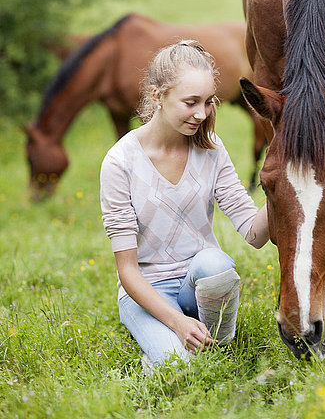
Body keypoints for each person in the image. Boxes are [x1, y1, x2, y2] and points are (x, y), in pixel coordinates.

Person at [100, 40, 269, 369]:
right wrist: (177, 323)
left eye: (208, 102)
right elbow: (127, 270)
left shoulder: (211, 148)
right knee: (179, 368)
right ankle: (172, 345)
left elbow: (254, 233)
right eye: (191, 102)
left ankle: (213, 344)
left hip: (200, 285)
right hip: (147, 293)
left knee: (215, 264)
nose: (202, 114)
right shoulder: (120, 161)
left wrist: (280, 188)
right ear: (157, 97)